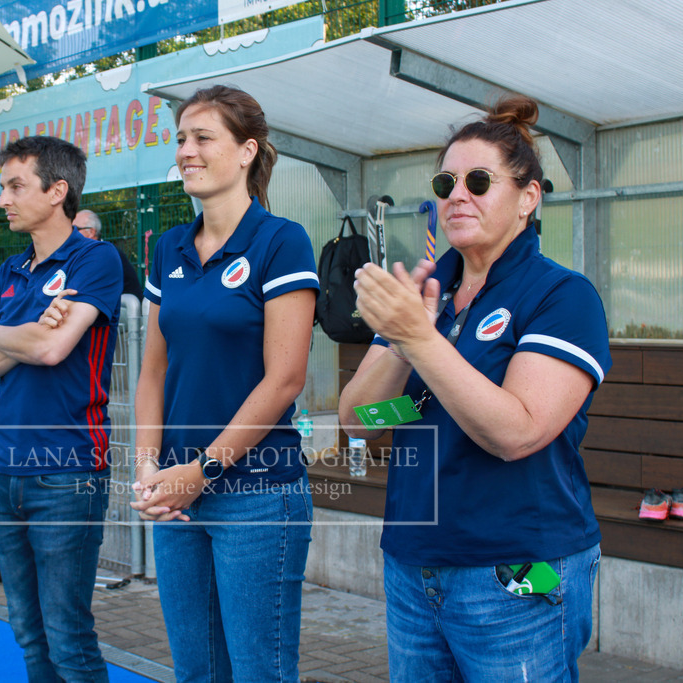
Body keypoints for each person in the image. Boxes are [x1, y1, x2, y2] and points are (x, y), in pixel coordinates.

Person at [338, 96, 611, 681]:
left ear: (528, 198)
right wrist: (403, 338)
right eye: (446, 182)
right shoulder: (427, 293)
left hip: (516, 576)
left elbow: (515, 432)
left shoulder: (562, 296)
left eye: (479, 181)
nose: (457, 194)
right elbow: (362, 419)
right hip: (415, 569)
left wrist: (419, 339)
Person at [130, 85, 319, 682]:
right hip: (178, 495)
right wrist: (147, 467)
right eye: (181, 138)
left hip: (257, 497)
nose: (185, 150)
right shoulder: (169, 247)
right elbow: (153, 371)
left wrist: (202, 471)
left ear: (246, 152)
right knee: (196, 672)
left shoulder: (280, 241)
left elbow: (285, 377)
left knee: (259, 673)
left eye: (202, 137)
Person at [0, 136, 122, 682]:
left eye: (14, 186)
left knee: (68, 639)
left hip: (67, 472)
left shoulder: (95, 259)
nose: (2, 197)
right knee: (28, 633)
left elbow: (52, 351)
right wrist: (20, 333)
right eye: (2, 186)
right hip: (6, 470)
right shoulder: (10, 270)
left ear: (58, 192)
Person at [73, 209, 143, 301]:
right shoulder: (90, 252)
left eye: (75, 228)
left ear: (91, 232)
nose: (71, 233)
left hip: (125, 309)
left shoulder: (105, 253)